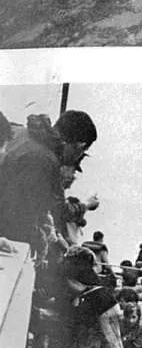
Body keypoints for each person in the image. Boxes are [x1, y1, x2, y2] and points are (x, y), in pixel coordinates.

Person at [0, 109, 97, 258]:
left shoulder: (18, 131)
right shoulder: (47, 160)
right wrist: (85, 205)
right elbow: (58, 210)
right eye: (82, 153)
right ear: (79, 145)